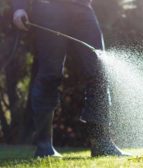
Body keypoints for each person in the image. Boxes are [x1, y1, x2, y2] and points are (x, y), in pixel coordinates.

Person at [12, 0, 127, 157]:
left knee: (99, 72)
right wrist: (19, 7)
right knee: (50, 75)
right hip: (48, 8)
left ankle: (102, 144)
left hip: (83, 8)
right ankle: (44, 146)